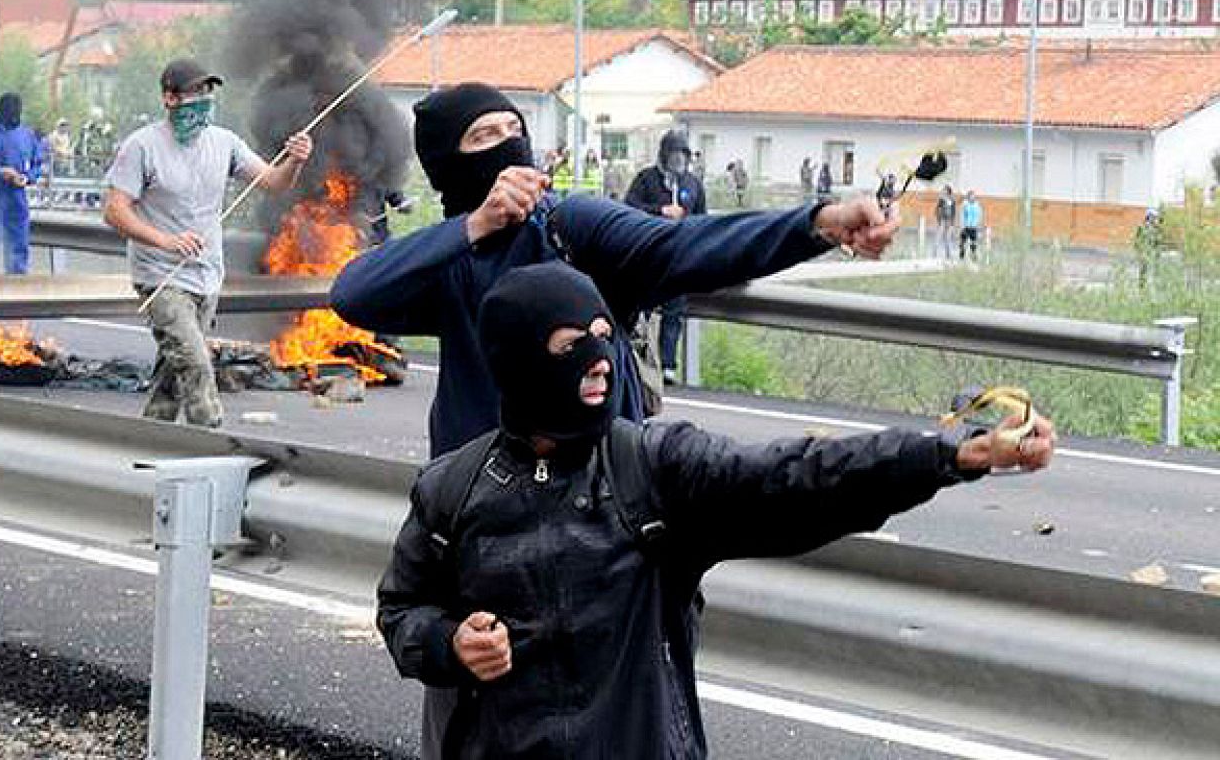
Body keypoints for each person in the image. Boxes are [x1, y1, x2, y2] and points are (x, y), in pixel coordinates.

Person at [378, 261, 1055, 760]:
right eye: (568, 345)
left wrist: (949, 454)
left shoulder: (654, 467)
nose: (598, 362)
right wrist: (449, 643)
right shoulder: (452, 489)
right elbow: (401, 610)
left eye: (601, 335)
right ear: (518, 362)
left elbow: (797, 477)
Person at [330, 82, 897, 459]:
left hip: (595, 488)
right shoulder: (448, 258)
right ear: (449, 166)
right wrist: (475, 226)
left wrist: (819, 223)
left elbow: (684, 246)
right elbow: (354, 294)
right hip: (480, 486)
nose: (508, 145)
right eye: (483, 137)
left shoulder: (570, 224)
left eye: (513, 129)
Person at [103, 58, 312, 427]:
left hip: (207, 275)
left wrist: (294, 161)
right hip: (161, 277)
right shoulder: (142, 147)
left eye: (207, 93)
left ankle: (152, 437)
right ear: (169, 98)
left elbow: (274, 182)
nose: (203, 101)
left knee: (175, 366)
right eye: (194, 93)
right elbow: (115, 211)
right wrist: (164, 241)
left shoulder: (224, 143)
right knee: (197, 362)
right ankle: (212, 440)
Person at [624, 131, 706, 386]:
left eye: (683, 154)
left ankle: (668, 365)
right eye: (674, 154)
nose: (679, 159)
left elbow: (703, 218)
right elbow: (629, 208)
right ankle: (637, 362)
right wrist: (660, 211)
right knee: (641, 313)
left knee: (674, 312)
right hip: (648, 255)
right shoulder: (646, 180)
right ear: (664, 154)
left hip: (678, 258)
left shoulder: (692, 184)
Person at [0, 93, 49, 275]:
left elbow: (37, 164)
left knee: (18, 248)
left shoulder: (27, 136)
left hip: (17, 200)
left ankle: (17, 285)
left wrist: (26, 178)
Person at [934, 185, 958, 260]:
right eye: (943, 190)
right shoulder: (941, 200)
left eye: (944, 190)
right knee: (938, 237)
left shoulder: (952, 200)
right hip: (942, 220)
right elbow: (937, 210)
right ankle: (934, 254)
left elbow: (954, 212)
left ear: (948, 191)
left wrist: (953, 223)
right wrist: (938, 220)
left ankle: (948, 255)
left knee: (947, 238)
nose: (943, 191)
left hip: (949, 221)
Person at [959, 189, 984, 261]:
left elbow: (980, 215)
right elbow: (962, 215)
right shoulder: (965, 204)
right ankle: (961, 256)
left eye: (973, 196)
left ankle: (973, 256)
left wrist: (979, 226)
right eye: (971, 196)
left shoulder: (977, 205)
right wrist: (962, 226)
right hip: (966, 226)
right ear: (968, 197)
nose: (972, 197)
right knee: (963, 243)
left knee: (973, 243)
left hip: (974, 226)